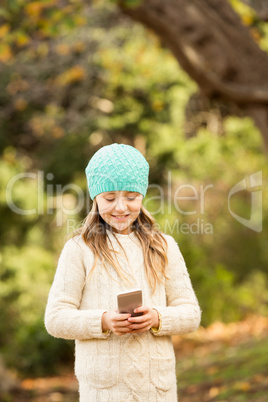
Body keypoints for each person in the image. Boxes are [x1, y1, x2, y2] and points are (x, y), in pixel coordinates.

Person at [45, 143, 201, 401]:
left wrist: (157, 318)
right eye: (109, 198)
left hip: (157, 391)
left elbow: (191, 313)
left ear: (142, 196)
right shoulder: (78, 250)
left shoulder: (164, 246)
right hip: (103, 393)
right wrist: (104, 321)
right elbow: (55, 318)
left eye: (131, 197)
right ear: (95, 197)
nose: (120, 207)